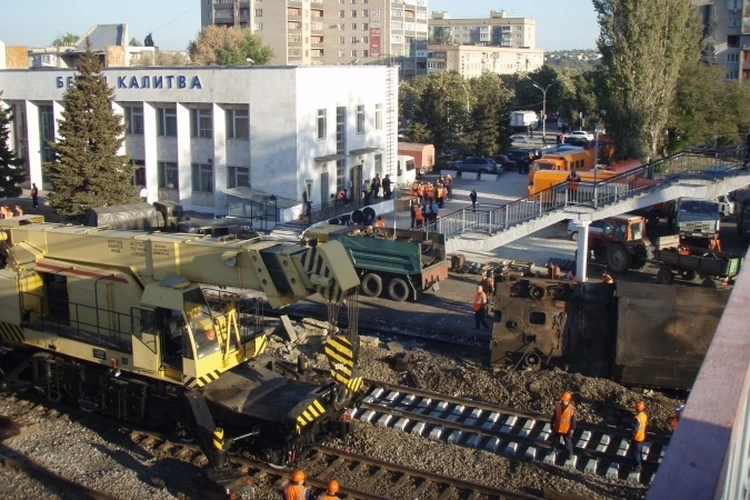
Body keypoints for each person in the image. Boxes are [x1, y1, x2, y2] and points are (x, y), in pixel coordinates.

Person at [551, 391, 577, 461]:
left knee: (568, 442)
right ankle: (554, 450)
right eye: (562, 399)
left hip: (566, 428)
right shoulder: (558, 406)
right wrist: (551, 423)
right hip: (558, 427)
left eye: (563, 400)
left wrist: (572, 429)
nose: (562, 401)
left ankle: (570, 454)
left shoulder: (572, 409)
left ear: (568, 400)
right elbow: (554, 416)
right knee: (555, 440)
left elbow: (573, 420)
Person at [631, 401, 648, 473]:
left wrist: (631, 437)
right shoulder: (644, 415)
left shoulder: (637, 418)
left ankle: (637, 468)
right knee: (639, 453)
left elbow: (635, 429)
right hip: (642, 437)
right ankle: (640, 466)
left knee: (635, 453)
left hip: (637, 438)